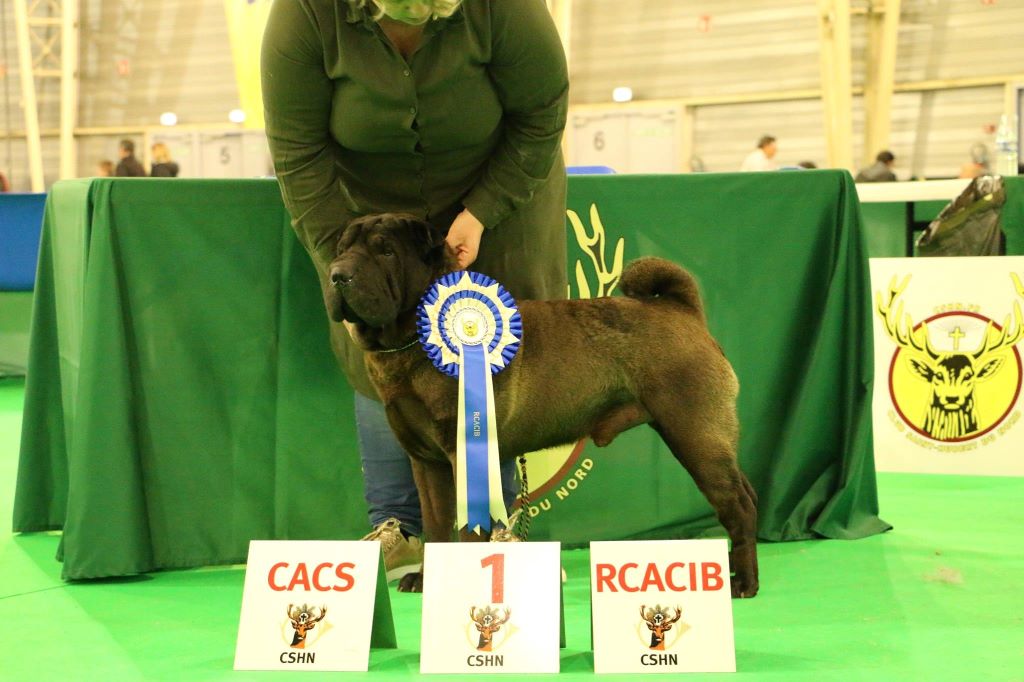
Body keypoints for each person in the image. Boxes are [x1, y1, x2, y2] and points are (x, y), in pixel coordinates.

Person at [262, 0, 569, 581]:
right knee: (381, 343)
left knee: (491, 352)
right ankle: (400, 527)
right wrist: (346, 263)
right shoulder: (305, 13)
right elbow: (299, 154)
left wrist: (482, 213)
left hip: (501, 192)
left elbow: (541, 116)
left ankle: (498, 531)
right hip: (369, 206)